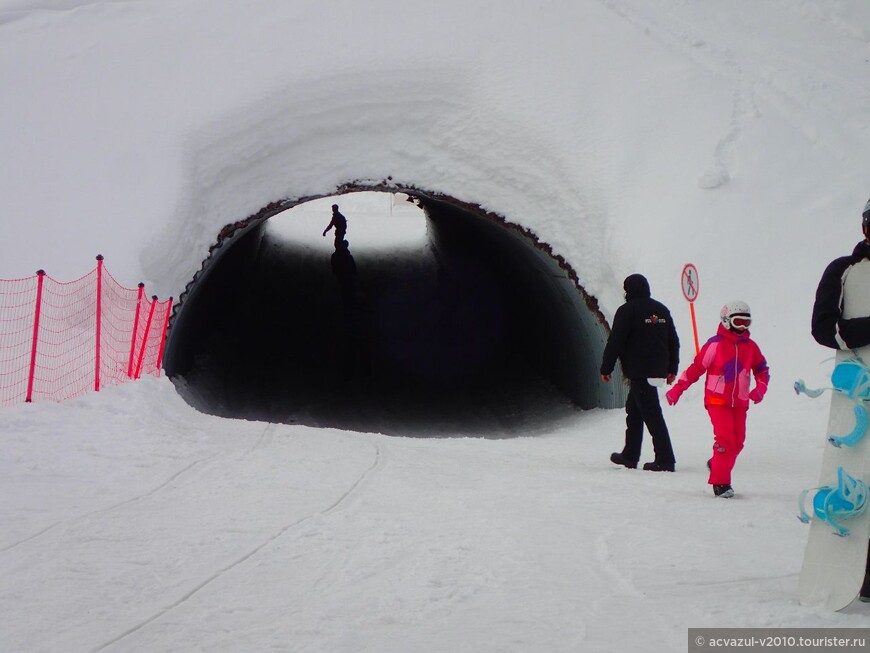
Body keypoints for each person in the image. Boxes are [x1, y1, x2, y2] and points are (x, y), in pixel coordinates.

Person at [810, 198, 870, 602]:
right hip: (858, 388)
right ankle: (859, 574)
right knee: (859, 475)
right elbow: (823, 328)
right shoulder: (843, 271)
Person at [665, 301, 770, 498]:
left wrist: (760, 389)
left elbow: (762, 369)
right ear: (726, 321)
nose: (743, 327)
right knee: (726, 440)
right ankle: (721, 482)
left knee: (738, 442)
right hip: (717, 400)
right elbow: (696, 369)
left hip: (740, 401)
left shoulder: (751, 347)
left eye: (747, 323)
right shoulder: (715, 344)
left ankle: (716, 464)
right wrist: (678, 389)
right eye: (738, 322)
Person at [600, 273, 680, 472]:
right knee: (634, 411)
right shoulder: (661, 310)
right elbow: (673, 341)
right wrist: (672, 368)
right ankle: (630, 455)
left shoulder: (628, 311)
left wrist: (606, 368)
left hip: (639, 370)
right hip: (657, 370)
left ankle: (665, 459)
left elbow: (615, 341)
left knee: (652, 414)